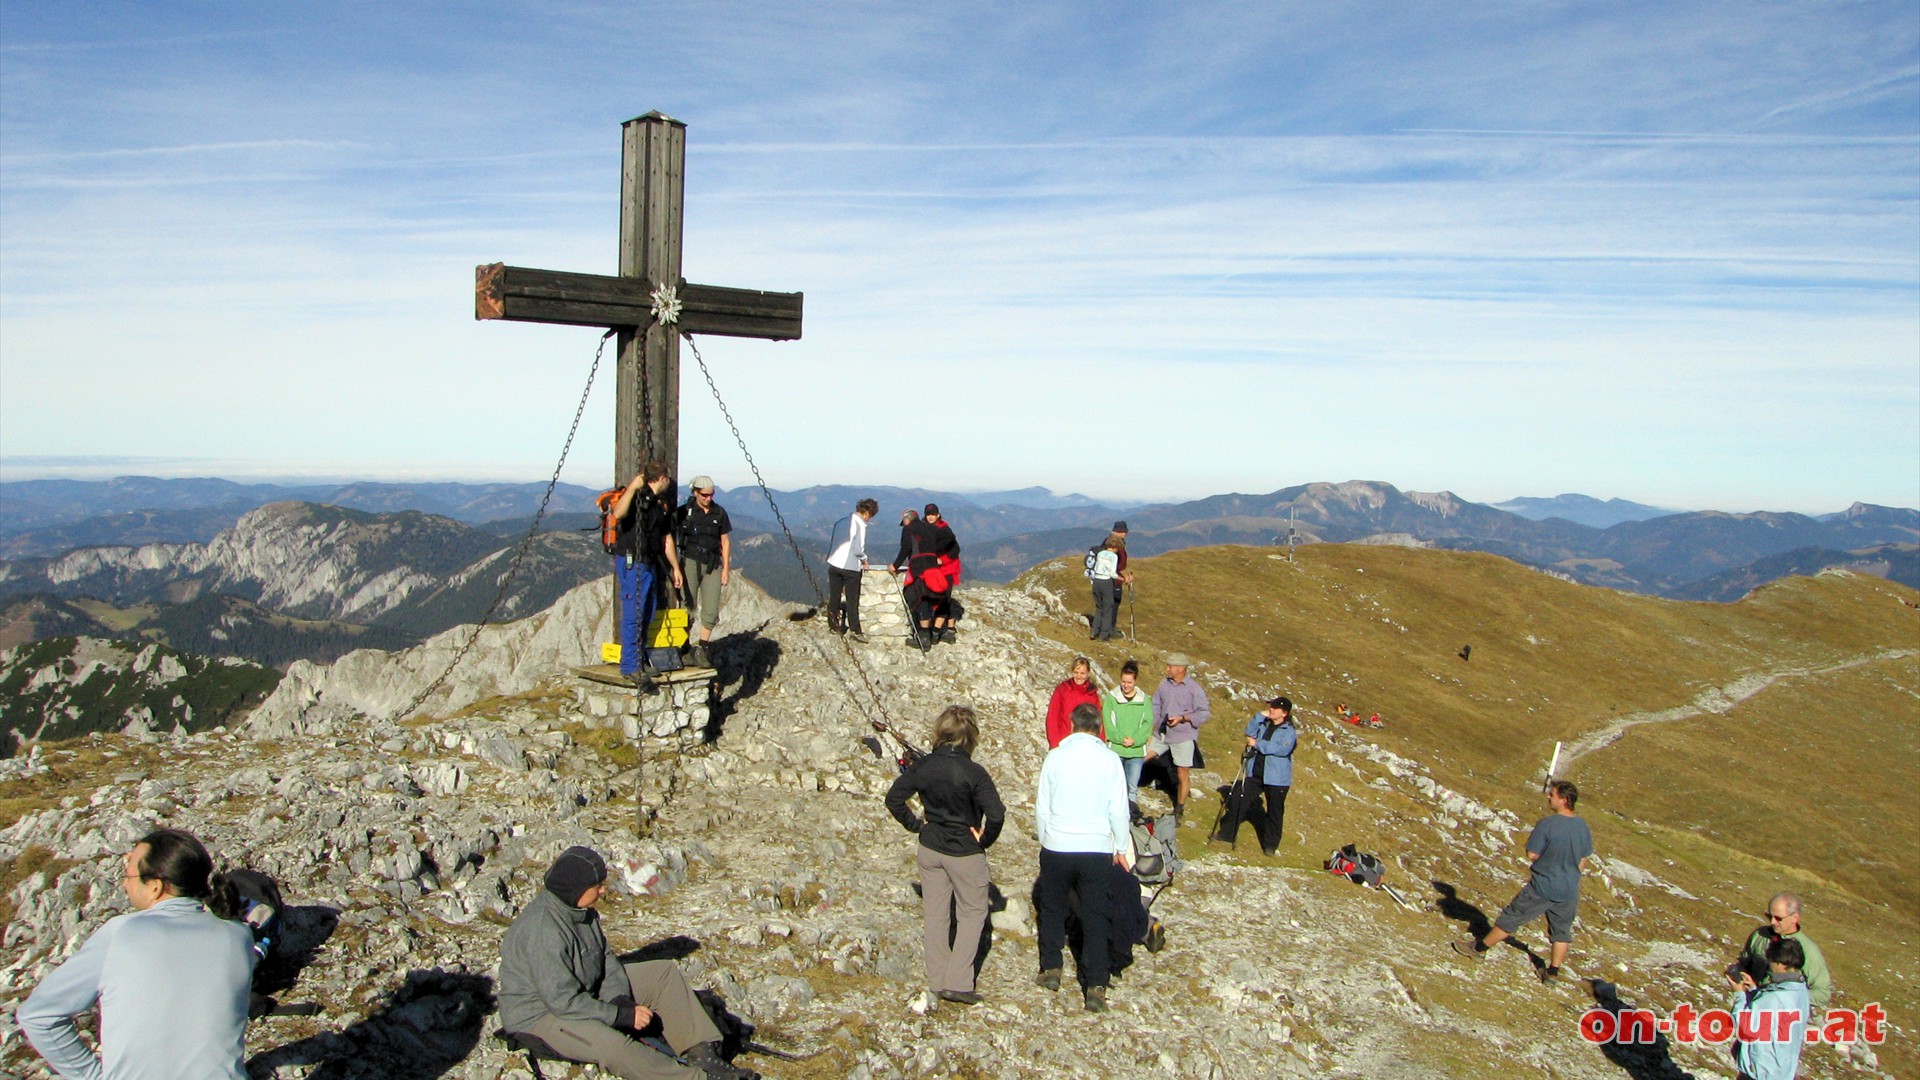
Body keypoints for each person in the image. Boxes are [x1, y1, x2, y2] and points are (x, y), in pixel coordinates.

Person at [498, 847, 755, 1080]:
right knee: (614, 1046)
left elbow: (606, 960)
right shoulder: (542, 931)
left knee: (662, 974)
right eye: (597, 886)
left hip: (583, 990)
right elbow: (562, 1002)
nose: (603, 890)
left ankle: (704, 1056)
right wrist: (620, 1015)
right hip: (543, 1016)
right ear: (575, 888)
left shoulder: (582, 912)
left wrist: (619, 998)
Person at [20, 828, 255, 1080]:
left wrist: (94, 1076)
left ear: (155, 887)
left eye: (129, 874)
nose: (124, 883)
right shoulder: (238, 935)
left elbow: (37, 1015)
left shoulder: (122, 933)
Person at [884, 706, 1006, 1007]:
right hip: (965, 851)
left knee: (936, 914)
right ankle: (959, 982)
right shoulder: (975, 773)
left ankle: (937, 981)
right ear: (970, 738)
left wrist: (916, 825)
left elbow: (894, 799)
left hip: (931, 847)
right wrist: (984, 839)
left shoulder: (924, 766)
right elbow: (997, 814)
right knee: (972, 913)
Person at [1034, 703, 1134, 1013]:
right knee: (1095, 915)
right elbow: (1119, 809)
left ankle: (1051, 968)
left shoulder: (1056, 757)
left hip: (1058, 843)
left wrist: (1046, 837)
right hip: (1095, 847)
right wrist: (1120, 846)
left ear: (1072, 724)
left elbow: (1042, 805)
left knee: (1052, 908)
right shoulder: (1110, 760)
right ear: (1099, 728)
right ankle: (1095, 985)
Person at [1452, 780, 1594, 982]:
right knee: (1561, 931)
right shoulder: (1583, 826)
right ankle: (1552, 973)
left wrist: (1547, 860)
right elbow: (1583, 859)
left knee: (1512, 917)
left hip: (1544, 885)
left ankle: (1479, 948)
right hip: (1569, 888)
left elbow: (1531, 854)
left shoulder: (1548, 824)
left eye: (1552, 795)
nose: (1548, 797)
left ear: (1563, 800)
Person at [611, 461, 683, 687]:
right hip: (633, 561)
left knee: (648, 611)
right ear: (662, 478)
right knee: (634, 613)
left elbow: (666, 539)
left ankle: (640, 660)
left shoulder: (658, 505)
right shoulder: (637, 499)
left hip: (649, 562)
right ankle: (630, 666)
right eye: (667, 478)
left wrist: (675, 568)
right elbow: (618, 513)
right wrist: (632, 487)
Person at [1726, 892, 1832, 1016]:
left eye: (1778, 918)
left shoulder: (1809, 950)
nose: (1772, 922)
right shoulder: (1759, 935)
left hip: (1784, 1018)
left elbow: (1823, 994)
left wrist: (1785, 997)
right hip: (1751, 1008)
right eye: (1769, 916)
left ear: (1795, 918)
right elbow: (1744, 963)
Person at [1730, 936, 1811, 1080]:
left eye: (1772, 961)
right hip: (1783, 1072)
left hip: (1760, 1073)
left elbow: (1744, 1025)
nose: (1770, 965)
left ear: (1781, 963)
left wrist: (1739, 994)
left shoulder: (1774, 998)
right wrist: (1755, 991)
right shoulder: (1800, 992)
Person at [673, 475, 731, 669]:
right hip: (690, 561)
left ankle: (703, 648)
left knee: (711, 608)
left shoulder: (719, 512)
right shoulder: (684, 512)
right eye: (704, 495)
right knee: (687, 606)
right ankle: (683, 647)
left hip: (713, 563)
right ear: (695, 492)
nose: (708, 498)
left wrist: (726, 569)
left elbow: (725, 541)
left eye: (711, 494)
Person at [1148, 652, 1210, 819]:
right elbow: (1156, 705)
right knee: (1139, 756)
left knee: (1182, 771)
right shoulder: (1163, 684)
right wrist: (1150, 727)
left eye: (1170, 666)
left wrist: (1183, 718)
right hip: (1161, 734)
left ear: (1181, 669)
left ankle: (1179, 808)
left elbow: (1204, 713)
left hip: (1183, 736)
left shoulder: (1194, 689)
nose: (1167, 669)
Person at [892, 503, 961, 647]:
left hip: (939, 569)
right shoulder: (931, 528)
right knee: (935, 598)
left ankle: (929, 635)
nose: (930, 517)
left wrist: (939, 558)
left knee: (925, 598)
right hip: (934, 570)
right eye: (928, 514)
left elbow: (905, 549)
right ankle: (933, 634)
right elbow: (951, 539)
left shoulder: (917, 529)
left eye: (932, 514)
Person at [1243, 696, 1299, 857]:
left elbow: (1282, 749)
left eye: (1275, 707)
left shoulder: (1289, 731)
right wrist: (1259, 716)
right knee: (1241, 798)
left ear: (1284, 713)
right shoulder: (1264, 724)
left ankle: (1270, 845)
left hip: (1277, 777)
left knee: (1275, 811)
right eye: (1271, 706)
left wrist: (1257, 744)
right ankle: (1227, 833)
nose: (1271, 710)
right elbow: (1249, 732)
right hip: (1258, 772)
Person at [1102, 660, 1153, 815]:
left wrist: (1135, 741)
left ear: (1135, 681)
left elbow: (1148, 723)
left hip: (1136, 752)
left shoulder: (1144, 700)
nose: (1126, 685)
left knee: (1132, 787)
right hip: (1116, 749)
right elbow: (1108, 723)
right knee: (1114, 785)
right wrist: (1120, 738)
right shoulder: (1112, 698)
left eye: (1129, 682)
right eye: (1123, 682)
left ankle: (1129, 816)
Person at [825, 499, 879, 642]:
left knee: (834, 596)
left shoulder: (841, 522)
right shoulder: (859, 524)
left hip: (834, 564)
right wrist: (864, 559)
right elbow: (857, 548)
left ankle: (833, 626)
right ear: (866, 513)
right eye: (870, 516)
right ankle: (855, 630)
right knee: (852, 600)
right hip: (850, 567)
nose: (869, 519)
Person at [1044, 657, 1100, 750]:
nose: (1079, 676)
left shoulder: (1092, 694)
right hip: (1064, 743)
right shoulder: (1062, 690)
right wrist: (1054, 744)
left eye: (1082, 673)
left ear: (1088, 674)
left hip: (1086, 746)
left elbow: (1098, 721)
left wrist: (1099, 743)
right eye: (1076, 673)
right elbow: (1053, 718)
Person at [1087, 536, 1122, 641]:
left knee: (1099, 607)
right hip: (1106, 582)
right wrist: (1121, 578)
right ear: (1117, 547)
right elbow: (1112, 573)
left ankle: (1094, 632)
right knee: (1108, 608)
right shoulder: (1113, 556)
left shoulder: (1100, 553)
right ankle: (1104, 635)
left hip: (1096, 581)